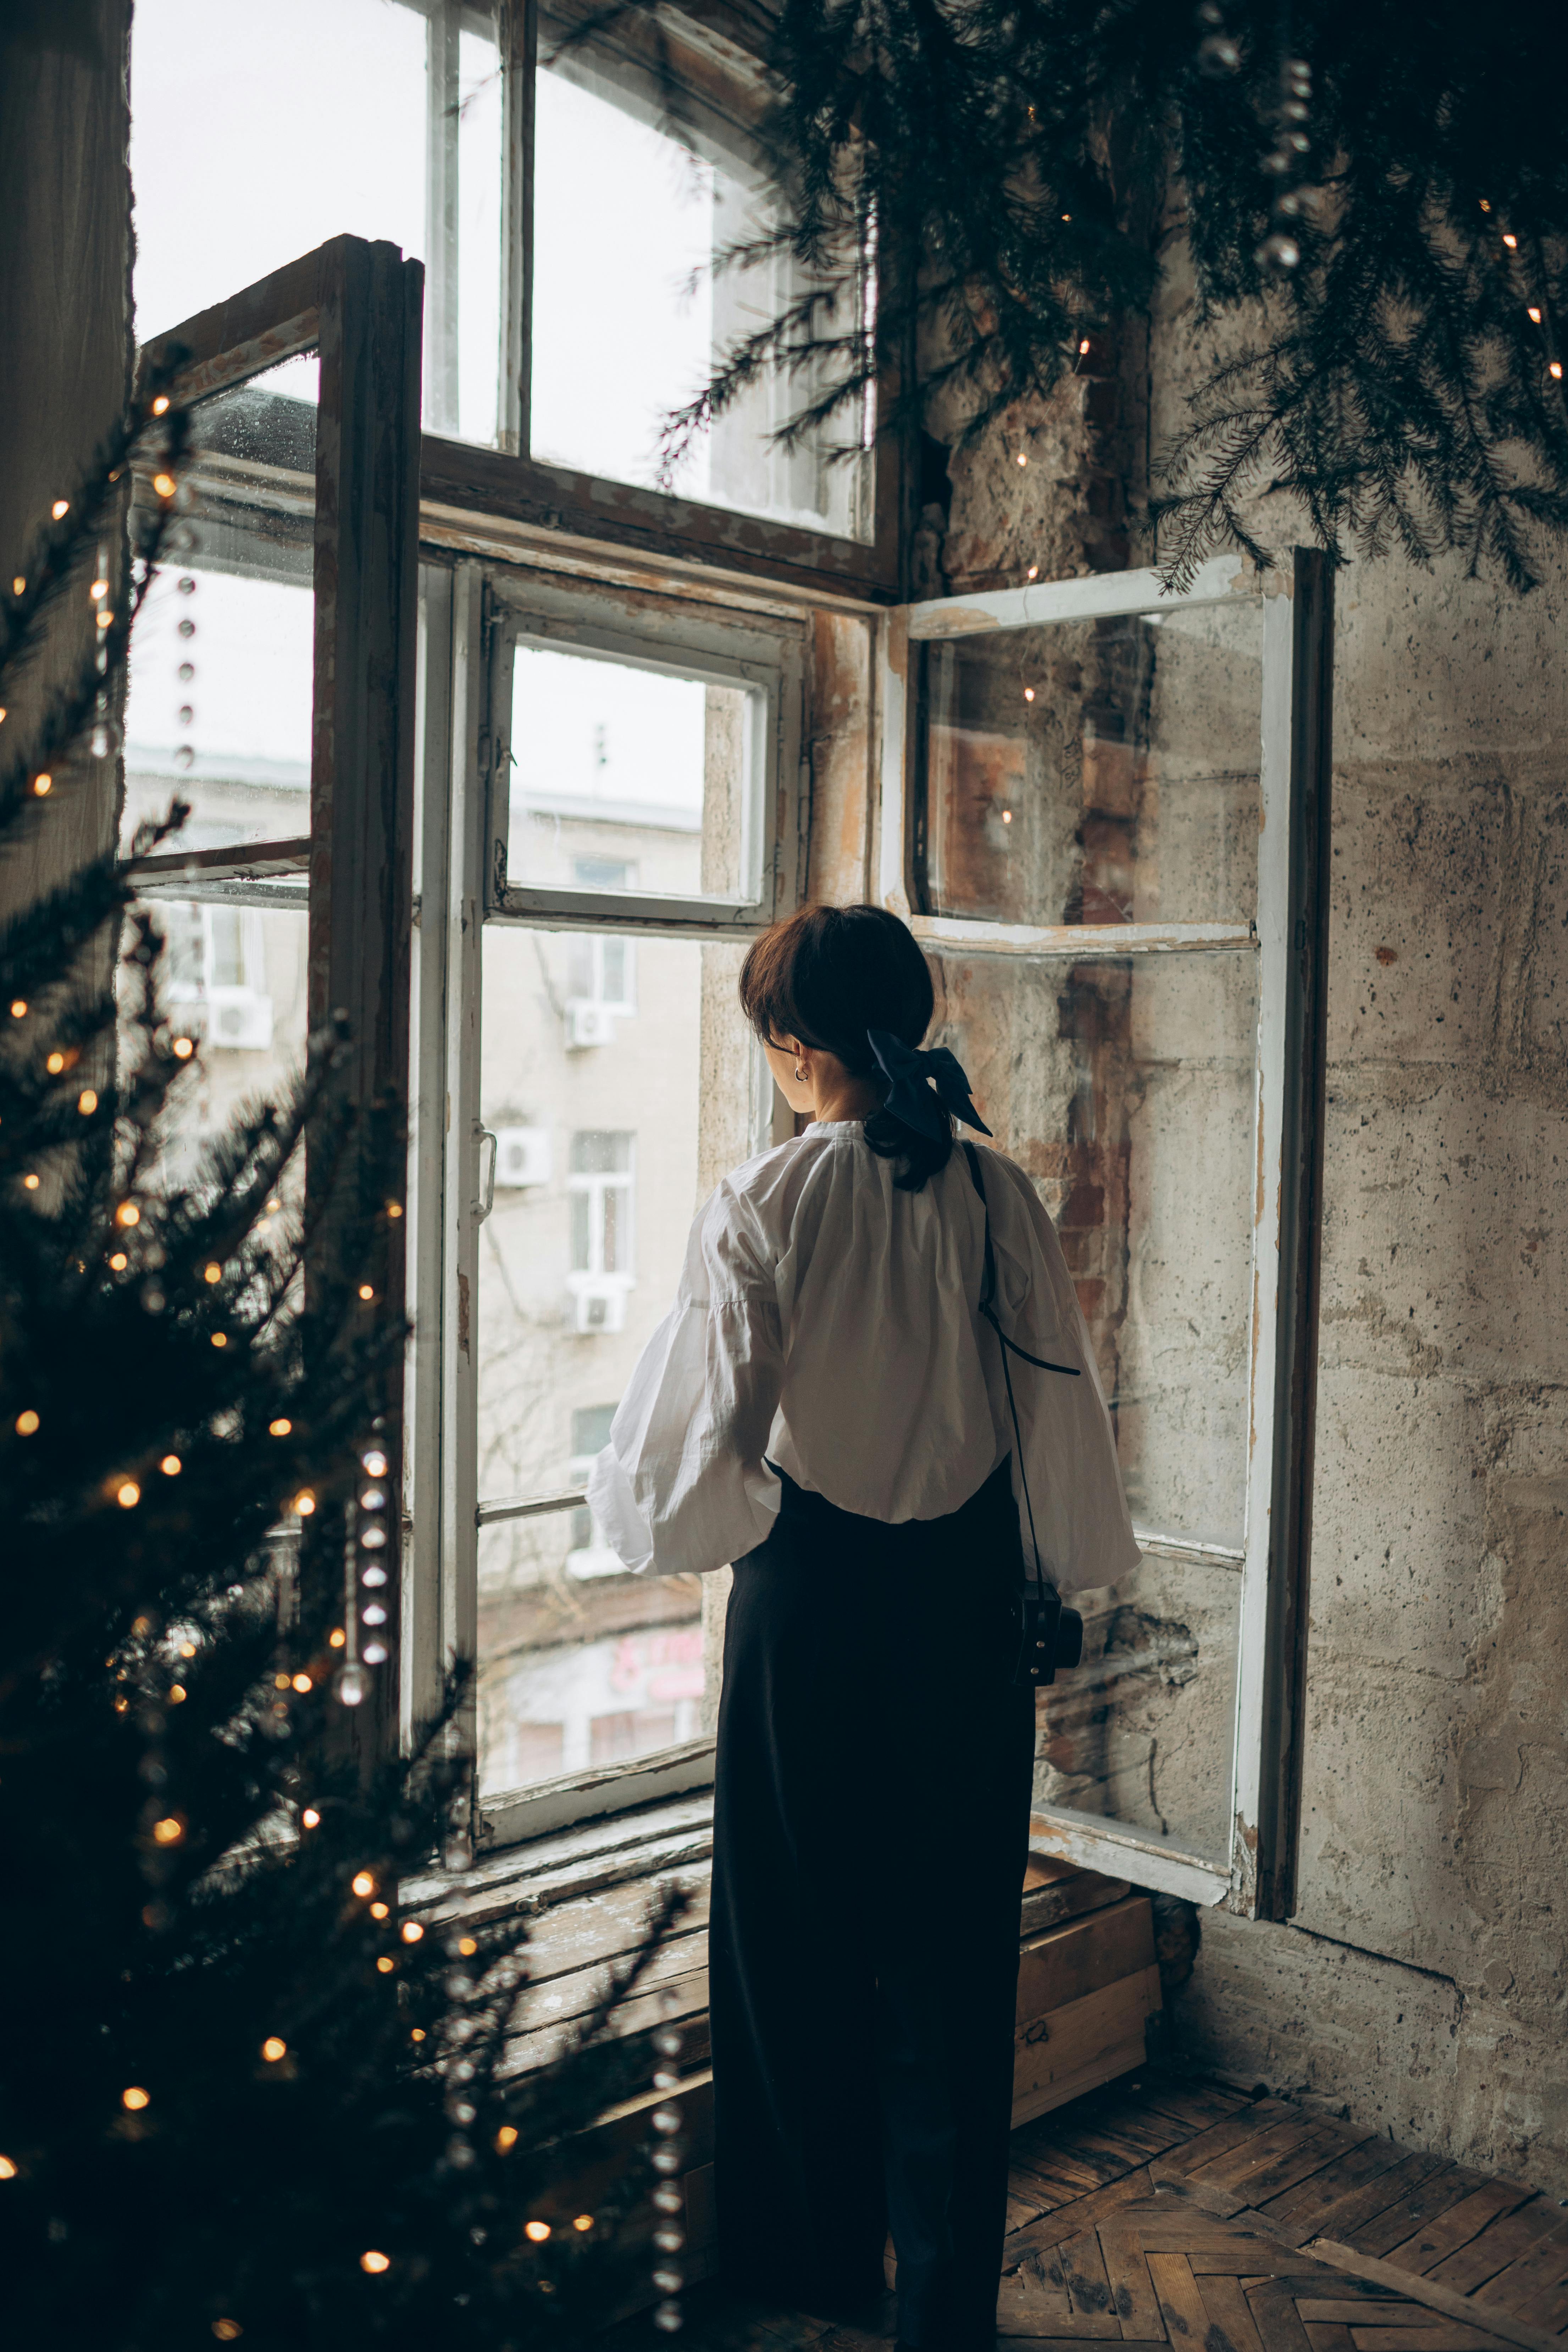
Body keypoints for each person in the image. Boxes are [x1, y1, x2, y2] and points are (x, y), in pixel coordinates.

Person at [588, 904, 1138, 2352]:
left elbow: (688, 1474)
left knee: (787, 1945)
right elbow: (1050, 1412)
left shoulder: (759, 1200)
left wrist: (709, 1529)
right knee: (952, 1956)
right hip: (958, 1613)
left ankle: (813, 2261)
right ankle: (943, 2305)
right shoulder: (990, 1191)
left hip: (807, 1605)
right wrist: (1059, 1571)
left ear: (790, 1044)